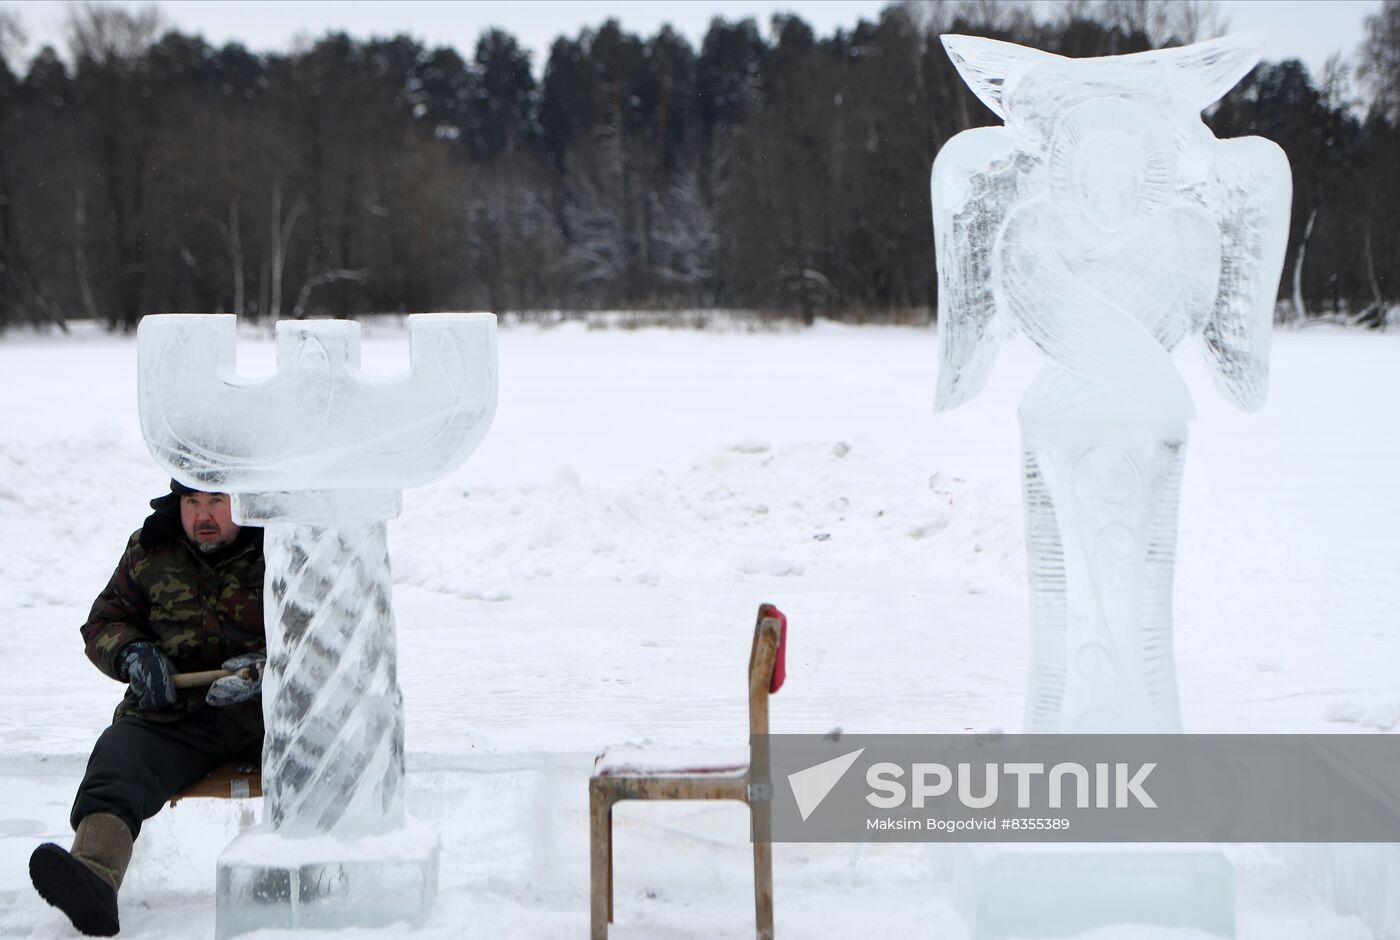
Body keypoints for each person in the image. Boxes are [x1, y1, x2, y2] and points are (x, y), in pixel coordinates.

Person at [29, 480, 268, 937]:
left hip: (268, 715)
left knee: (322, 758)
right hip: (173, 715)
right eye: (192, 502)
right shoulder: (149, 550)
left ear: (242, 502)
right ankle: (95, 877)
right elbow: (103, 621)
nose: (203, 515)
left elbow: (322, 628)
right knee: (119, 759)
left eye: (216, 501)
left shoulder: (279, 545)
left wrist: (271, 671)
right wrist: (133, 653)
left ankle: (331, 872)